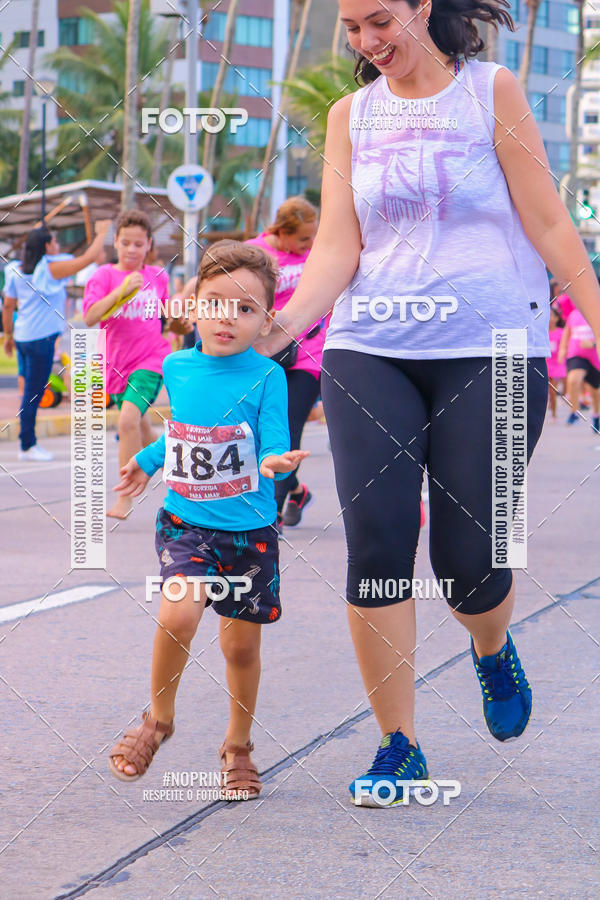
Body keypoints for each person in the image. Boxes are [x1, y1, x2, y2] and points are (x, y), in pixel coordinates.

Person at [258, 0, 600, 806]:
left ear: (422, 8)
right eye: (351, 30)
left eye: (380, 21)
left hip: (493, 349)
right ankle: (398, 744)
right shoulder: (351, 115)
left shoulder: (493, 91)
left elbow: (548, 221)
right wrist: (280, 329)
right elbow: (340, 244)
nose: (367, 42)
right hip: (370, 343)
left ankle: (489, 646)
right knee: (375, 541)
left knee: (468, 565)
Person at [107, 241, 308, 793]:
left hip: (249, 531)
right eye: (216, 303)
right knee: (178, 616)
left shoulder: (268, 375)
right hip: (185, 524)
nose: (228, 319)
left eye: (246, 309)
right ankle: (158, 719)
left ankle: (238, 743)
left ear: (265, 319)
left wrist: (276, 460)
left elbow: (272, 439)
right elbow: (182, 433)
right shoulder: (177, 366)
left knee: (240, 647)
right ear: (193, 303)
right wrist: (147, 463)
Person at [83, 209, 185, 519]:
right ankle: (180, 468)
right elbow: (90, 317)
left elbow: (166, 317)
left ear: (149, 244)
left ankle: (124, 497)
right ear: (115, 242)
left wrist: (182, 322)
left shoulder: (159, 276)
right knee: (142, 428)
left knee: (127, 421)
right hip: (115, 366)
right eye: (125, 243)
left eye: (138, 244)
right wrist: (122, 291)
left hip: (151, 359)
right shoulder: (102, 276)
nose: (132, 250)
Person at [2, 221, 110, 461]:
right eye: (55, 241)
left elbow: (9, 306)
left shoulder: (14, 270)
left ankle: (27, 441)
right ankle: (27, 445)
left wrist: (8, 335)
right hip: (41, 340)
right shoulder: (50, 270)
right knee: (33, 393)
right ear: (48, 246)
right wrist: (102, 232)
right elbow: (87, 258)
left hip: (21, 337)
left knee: (27, 391)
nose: (58, 245)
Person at [247, 197, 321, 530]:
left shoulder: (318, 255)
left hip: (309, 352)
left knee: (287, 429)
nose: (309, 244)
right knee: (258, 433)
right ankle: (296, 490)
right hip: (264, 353)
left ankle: (270, 514)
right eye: (304, 238)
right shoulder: (255, 253)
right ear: (283, 232)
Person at [558, 305, 600, 432]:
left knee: (595, 392)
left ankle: (596, 417)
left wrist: (593, 344)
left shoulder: (596, 314)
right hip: (576, 355)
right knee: (573, 380)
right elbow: (567, 332)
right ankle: (574, 412)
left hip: (594, 357)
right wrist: (562, 349)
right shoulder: (574, 315)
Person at [547, 305, 566, 420]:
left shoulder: (560, 332)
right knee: (546, 392)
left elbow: (564, 347)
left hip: (556, 365)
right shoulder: (543, 332)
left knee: (553, 392)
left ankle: (554, 414)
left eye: (552, 316)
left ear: (557, 319)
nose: (550, 318)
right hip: (545, 364)